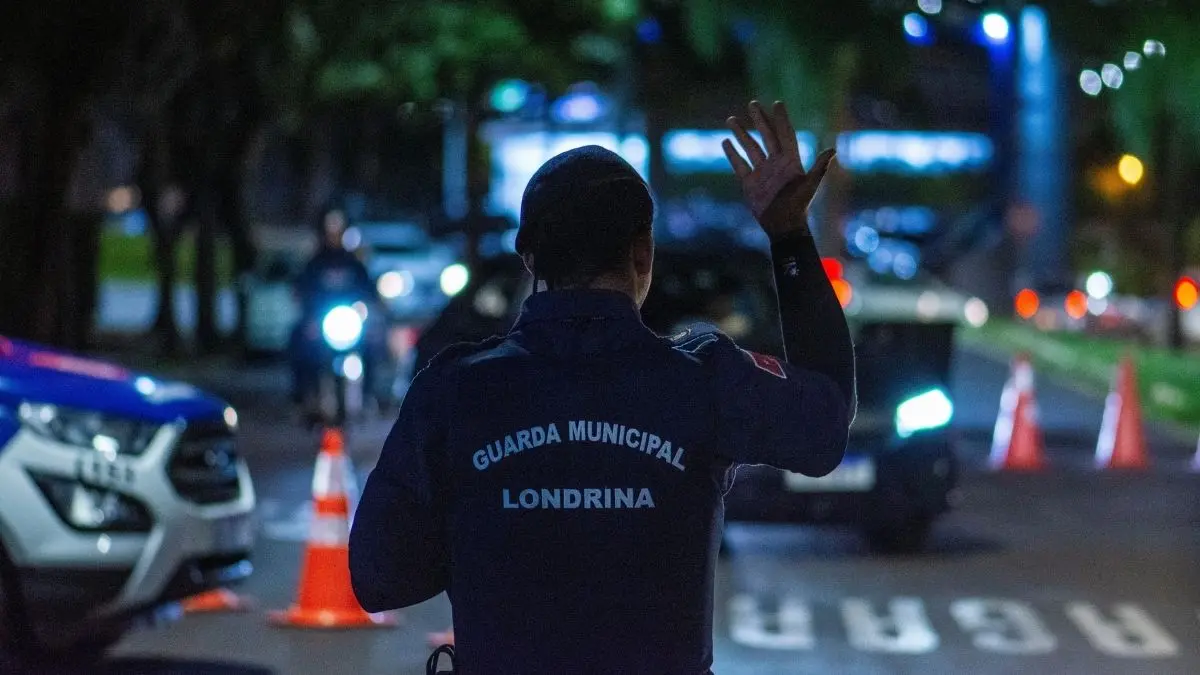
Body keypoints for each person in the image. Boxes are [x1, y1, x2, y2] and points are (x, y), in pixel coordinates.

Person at [349, 100, 856, 674]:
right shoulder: (706, 381)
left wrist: (496, 533)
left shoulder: (455, 391)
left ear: (528, 258)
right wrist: (788, 236)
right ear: (642, 254)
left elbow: (378, 577)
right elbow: (827, 426)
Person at [289, 205, 380, 407]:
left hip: (350, 324)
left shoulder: (354, 264)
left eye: (338, 225)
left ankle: (367, 396)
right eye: (330, 225)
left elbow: (369, 292)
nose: (334, 230)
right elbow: (300, 291)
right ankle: (304, 395)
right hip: (320, 325)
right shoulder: (314, 263)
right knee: (297, 341)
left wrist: (367, 310)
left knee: (373, 343)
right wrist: (309, 319)